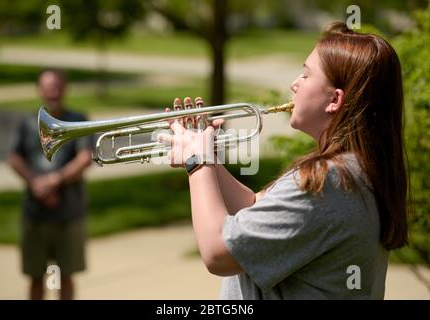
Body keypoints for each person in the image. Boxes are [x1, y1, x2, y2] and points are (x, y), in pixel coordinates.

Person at [157, 22, 409, 299]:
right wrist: (209, 163)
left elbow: (217, 253)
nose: (294, 84)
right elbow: (255, 207)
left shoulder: (327, 182)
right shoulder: (355, 169)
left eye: (305, 75)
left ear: (334, 100)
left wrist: (198, 161)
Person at [8, 69, 93, 300]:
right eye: (47, 87)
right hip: (35, 210)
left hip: (69, 210)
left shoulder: (78, 120)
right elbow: (15, 158)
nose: (52, 92)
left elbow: (86, 158)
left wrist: (55, 181)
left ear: (65, 89)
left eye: (56, 86)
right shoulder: (27, 122)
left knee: (66, 275)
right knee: (35, 276)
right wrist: (36, 183)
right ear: (39, 90)